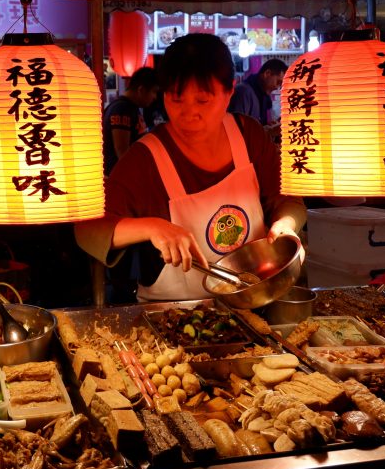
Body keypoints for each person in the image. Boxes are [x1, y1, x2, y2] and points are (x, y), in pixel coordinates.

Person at [75, 33, 306, 302]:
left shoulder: (249, 136)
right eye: (176, 99)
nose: (188, 113)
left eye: (203, 101)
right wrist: (152, 227)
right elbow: (88, 229)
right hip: (171, 317)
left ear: (230, 91)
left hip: (256, 302)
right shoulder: (146, 158)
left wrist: (286, 226)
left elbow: (289, 199)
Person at [102, 67, 160, 175]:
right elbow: (122, 152)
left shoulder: (130, 107)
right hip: (120, 179)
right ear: (141, 90)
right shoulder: (121, 109)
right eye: (153, 92)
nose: (155, 97)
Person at [228, 58, 288, 127]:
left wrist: (270, 126)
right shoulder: (244, 92)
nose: (278, 87)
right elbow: (236, 128)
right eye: (278, 82)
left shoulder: (264, 97)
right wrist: (267, 130)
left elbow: (258, 126)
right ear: (267, 74)